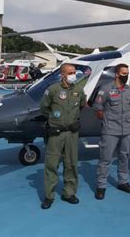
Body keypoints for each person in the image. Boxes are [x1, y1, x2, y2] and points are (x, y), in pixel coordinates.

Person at [93, 63, 130, 200]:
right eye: (123, 73)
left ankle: (123, 182)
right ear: (116, 74)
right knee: (105, 159)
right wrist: (107, 122)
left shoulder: (129, 90)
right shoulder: (106, 89)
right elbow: (98, 108)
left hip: (126, 130)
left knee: (124, 157)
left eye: (127, 73)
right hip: (110, 130)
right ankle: (101, 186)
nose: (126, 76)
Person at [39, 64, 87, 209]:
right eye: (70, 73)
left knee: (71, 164)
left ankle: (69, 193)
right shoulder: (53, 90)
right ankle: (49, 196)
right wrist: (55, 120)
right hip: (56, 133)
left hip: (72, 133)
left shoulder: (78, 90)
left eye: (74, 72)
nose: (74, 75)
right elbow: (44, 108)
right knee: (52, 164)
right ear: (62, 75)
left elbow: (82, 105)